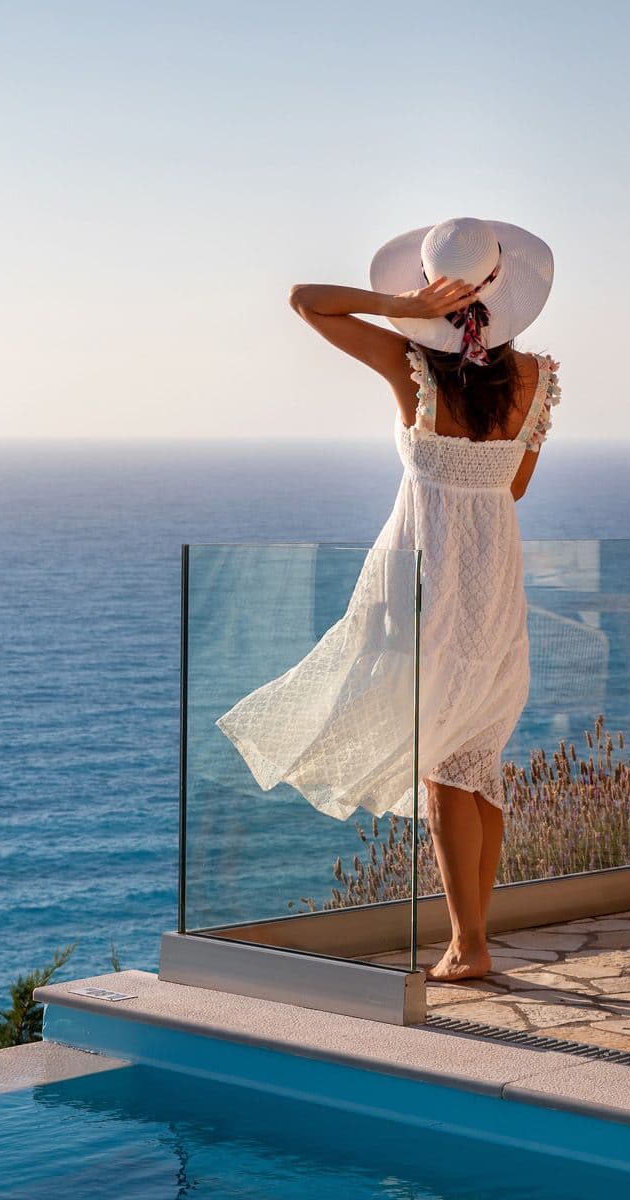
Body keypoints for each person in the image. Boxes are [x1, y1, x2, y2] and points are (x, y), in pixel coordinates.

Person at [216, 217, 561, 982]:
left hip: (420, 578)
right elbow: (517, 487)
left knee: (443, 759)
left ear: (435, 292)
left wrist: (401, 304)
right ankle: (473, 938)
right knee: (475, 757)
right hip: (494, 581)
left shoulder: (410, 364)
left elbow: (307, 300)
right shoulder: (538, 375)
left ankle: (467, 947)